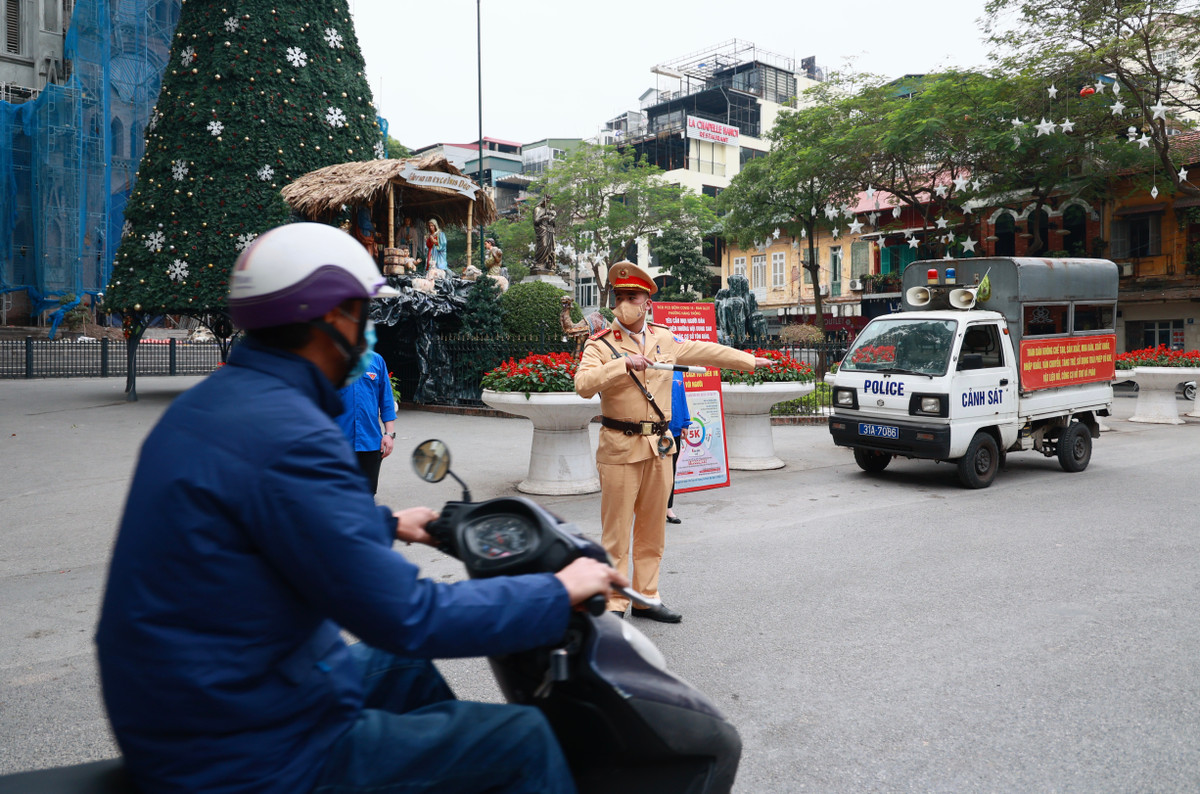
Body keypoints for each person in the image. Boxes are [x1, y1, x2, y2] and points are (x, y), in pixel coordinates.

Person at [95, 222, 625, 794]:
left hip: (192, 702)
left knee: (400, 671)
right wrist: (557, 590)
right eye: (359, 314)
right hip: (243, 746)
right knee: (521, 741)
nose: (366, 331)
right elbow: (410, 616)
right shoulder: (293, 433)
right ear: (328, 320)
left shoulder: (215, 405)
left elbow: (274, 519)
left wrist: (387, 522)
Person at [574, 261, 769, 623]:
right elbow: (583, 386)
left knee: (652, 529)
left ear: (647, 301)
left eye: (632, 296)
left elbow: (705, 351)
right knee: (616, 533)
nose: (624, 303)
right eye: (619, 296)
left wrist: (750, 361)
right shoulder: (600, 344)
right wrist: (623, 365)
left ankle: (646, 597)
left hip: (660, 449)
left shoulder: (664, 337)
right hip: (620, 447)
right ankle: (614, 602)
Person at [336, 349, 397, 495]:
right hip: (338, 443)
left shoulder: (376, 360)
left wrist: (389, 434)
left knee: (367, 494)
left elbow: (386, 399)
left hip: (370, 442)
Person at [665, 369, 690, 525]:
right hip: (657, 428)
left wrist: (685, 422)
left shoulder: (678, 371)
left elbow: (682, 397)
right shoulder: (653, 367)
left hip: (675, 428)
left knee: (671, 470)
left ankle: (668, 508)